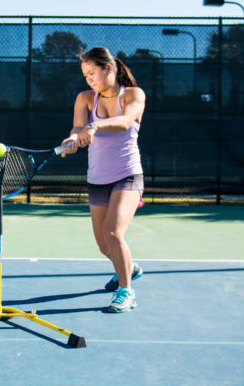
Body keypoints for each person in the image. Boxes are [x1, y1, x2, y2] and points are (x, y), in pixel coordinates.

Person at [61, 47, 145, 313]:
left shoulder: (133, 94)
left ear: (108, 69)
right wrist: (72, 140)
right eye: (85, 75)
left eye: (91, 72)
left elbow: (124, 121)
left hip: (128, 176)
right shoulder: (85, 99)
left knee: (113, 233)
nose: (89, 79)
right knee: (102, 244)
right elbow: (77, 129)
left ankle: (126, 291)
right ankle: (128, 267)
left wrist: (94, 126)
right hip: (97, 179)